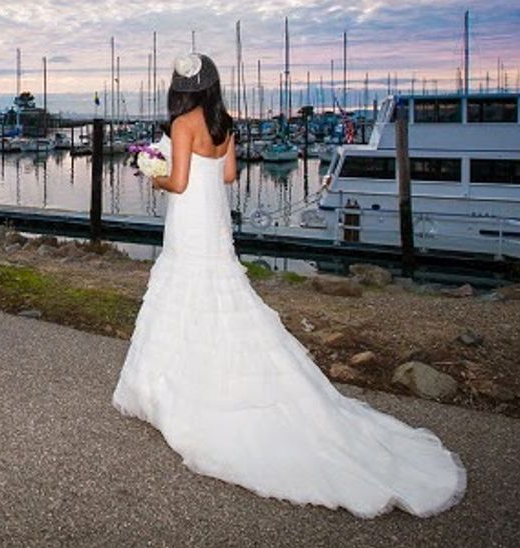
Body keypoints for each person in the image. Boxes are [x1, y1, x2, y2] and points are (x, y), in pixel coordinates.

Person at [112, 52, 465, 518]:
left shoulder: (182, 124)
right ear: (213, 84)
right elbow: (231, 175)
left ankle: (184, 391)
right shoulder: (224, 124)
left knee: (185, 289)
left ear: (178, 87)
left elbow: (178, 182)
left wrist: (154, 175)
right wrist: (190, 170)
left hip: (190, 221)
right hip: (215, 220)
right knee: (220, 293)